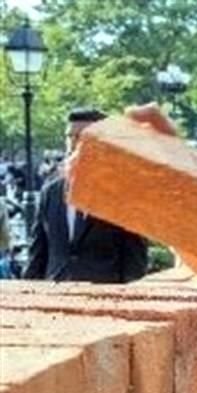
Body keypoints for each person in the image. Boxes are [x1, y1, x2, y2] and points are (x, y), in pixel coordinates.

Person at [24, 107, 148, 284]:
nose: (74, 143)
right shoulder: (50, 192)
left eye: (82, 136)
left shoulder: (124, 194)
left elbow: (135, 261)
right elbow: (38, 254)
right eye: (70, 136)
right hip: (55, 298)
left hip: (104, 300)